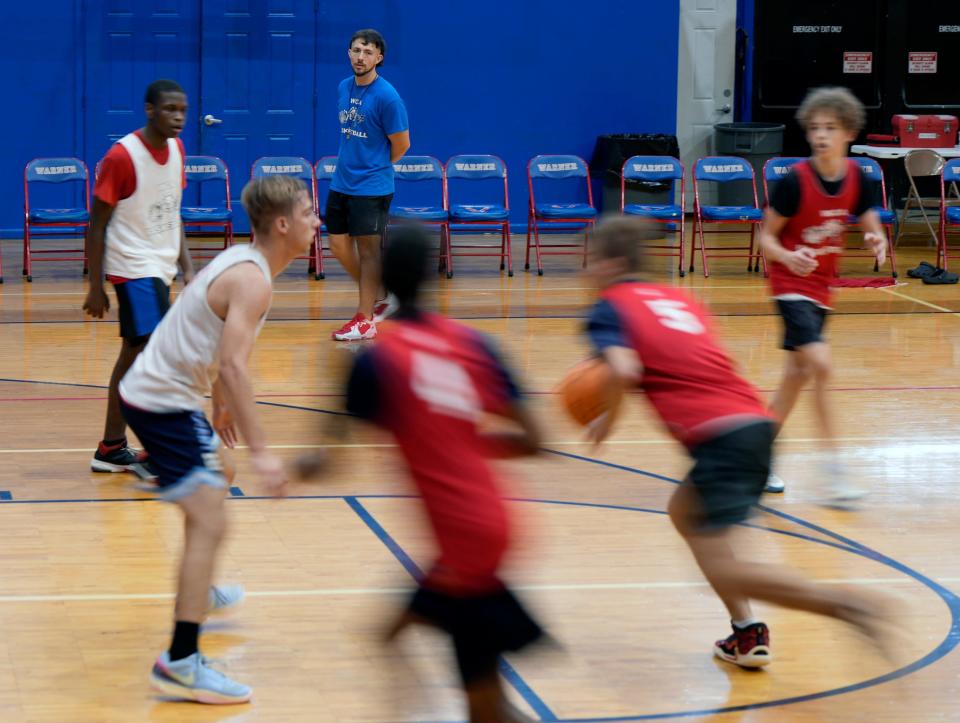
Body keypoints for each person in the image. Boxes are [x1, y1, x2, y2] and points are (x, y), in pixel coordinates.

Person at [583, 216, 892, 671]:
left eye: (589, 261)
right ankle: (746, 631)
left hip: (720, 438)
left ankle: (842, 604)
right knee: (683, 510)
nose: (586, 272)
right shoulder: (678, 298)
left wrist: (606, 416)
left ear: (610, 264)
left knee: (724, 563)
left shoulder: (609, 307)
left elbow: (624, 370)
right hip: (754, 422)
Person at [298, 226, 544, 722]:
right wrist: (465, 444)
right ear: (433, 278)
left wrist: (297, 459)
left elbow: (327, 462)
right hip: (493, 519)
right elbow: (535, 440)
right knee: (396, 636)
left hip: (464, 541)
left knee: (481, 705)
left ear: (384, 279)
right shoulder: (474, 343)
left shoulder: (376, 361)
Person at [119, 175, 318, 703]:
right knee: (212, 515)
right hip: (162, 400)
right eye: (308, 212)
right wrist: (264, 453)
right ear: (282, 224)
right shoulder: (255, 279)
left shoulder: (245, 262)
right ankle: (181, 661)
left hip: (163, 393)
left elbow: (207, 328)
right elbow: (231, 362)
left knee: (219, 478)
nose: (316, 221)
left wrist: (221, 403)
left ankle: (197, 588)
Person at [759, 86, 887, 501]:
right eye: (814, 128)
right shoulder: (795, 182)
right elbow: (765, 240)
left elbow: (869, 221)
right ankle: (835, 473)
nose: (821, 135)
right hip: (790, 284)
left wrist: (876, 240)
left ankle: (754, 459)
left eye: (830, 128)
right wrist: (788, 256)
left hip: (822, 288)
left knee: (796, 378)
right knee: (821, 366)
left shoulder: (856, 178)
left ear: (848, 132)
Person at [83, 78, 195, 477]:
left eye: (183, 110)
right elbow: (96, 226)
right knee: (150, 356)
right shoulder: (122, 156)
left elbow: (173, 211)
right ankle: (154, 447)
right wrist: (95, 287)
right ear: (150, 110)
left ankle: (112, 447)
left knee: (136, 356)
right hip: (132, 268)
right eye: (170, 110)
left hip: (159, 268)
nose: (178, 117)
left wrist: (187, 266)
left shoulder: (179, 149)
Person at [327, 28, 410, 341]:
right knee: (337, 244)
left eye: (368, 52)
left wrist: (377, 166)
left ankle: (365, 320)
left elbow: (401, 144)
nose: (360, 57)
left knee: (369, 252)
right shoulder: (343, 88)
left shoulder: (388, 97)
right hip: (342, 180)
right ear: (349, 53)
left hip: (372, 185)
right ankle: (381, 294)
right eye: (356, 50)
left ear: (379, 58)